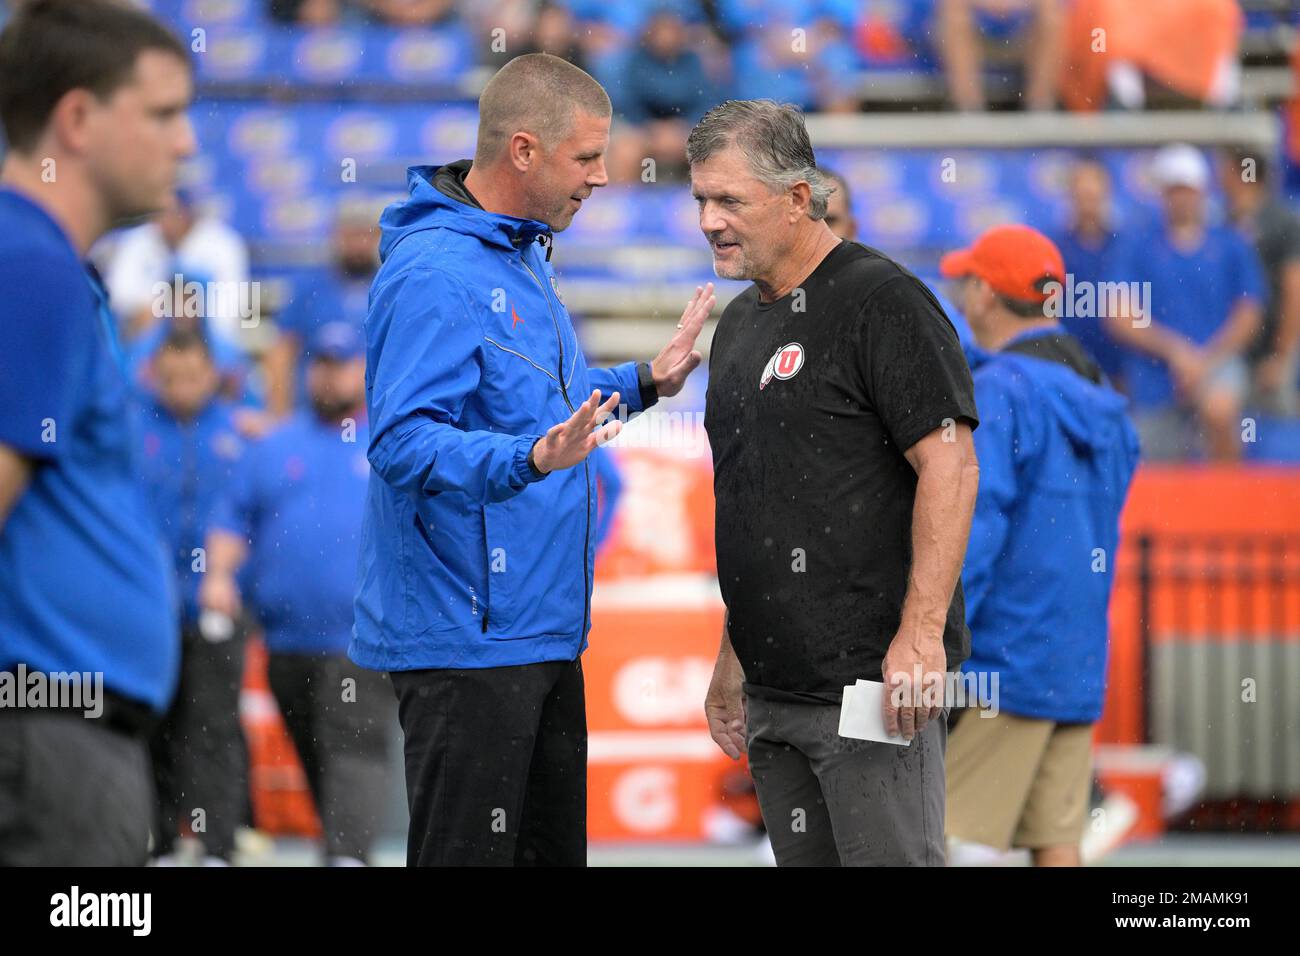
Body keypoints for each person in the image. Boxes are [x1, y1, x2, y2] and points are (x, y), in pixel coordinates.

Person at [352, 52, 713, 866]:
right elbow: (402, 441)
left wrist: (645, 381)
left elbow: (533, 402)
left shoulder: (512, 254)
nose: (603, 176)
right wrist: (529, 457)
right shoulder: (436, 271)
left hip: (536, 634)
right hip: (467, 641)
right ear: (523, 150)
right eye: (586, 157)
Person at [694, 99, 980, 867]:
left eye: (729, 200)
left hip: (869, 687)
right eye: (701, 199)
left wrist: (920, 637)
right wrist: (733, 655)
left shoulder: (884, 301)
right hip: (774, 688)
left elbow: (950, 465)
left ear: (796, 198)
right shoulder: (739, 326)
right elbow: (759, 503)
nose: (709, 221)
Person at [0, 0, 195, 866]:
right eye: (162, 114)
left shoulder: (42, 265)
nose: (185, 143)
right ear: (77, 119)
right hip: (48, 738)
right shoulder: (29, 265)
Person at [939, 224, 1140, 866]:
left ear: (984, 295)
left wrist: (934, 630)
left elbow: (975, 525)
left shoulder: (999, 391)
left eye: (967, 279)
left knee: (940, 840)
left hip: (1002, 659)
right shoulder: (1105, 401)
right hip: (1073, 659)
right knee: (1058, 844)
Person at [202, 323, 391, 866]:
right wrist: (217, 575)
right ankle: (340, 848)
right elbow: (232, 520)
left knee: (352, 742)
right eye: (322, 363)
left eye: (343, 363)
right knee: (315, 747)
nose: (330, 374)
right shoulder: (274, 444)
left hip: (361, 638)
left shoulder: (387, 442)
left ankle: (346, 855)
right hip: (285, 640)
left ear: (364, 369)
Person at [139, 327, 248, 865]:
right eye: (172, 377)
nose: (182, 388)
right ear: (155, 374)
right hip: (148, 610)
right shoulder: (131, 432)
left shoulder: (237, 432)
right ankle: (159, 842)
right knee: (150, 723)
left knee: (214, 728)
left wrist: (231, 577)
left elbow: (254, 517)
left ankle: (216, 847)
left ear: (212, 375)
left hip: (216, 607)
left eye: (193, 377)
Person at [1103, 144, 1264, 462]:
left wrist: (1203, 361)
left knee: (1220, 410)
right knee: (1147, 464)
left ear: (1203, 191)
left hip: (1217, 367)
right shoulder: (1138, 247)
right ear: (1163, 194)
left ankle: (1229, 501)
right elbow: (1119, 314)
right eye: (1175, 189)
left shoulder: (1230, 245)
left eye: (1188, 189)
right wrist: (1176, 352)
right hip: (1154, 378)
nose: (1182, 197)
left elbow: (1248, 314)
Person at [264, 196, 380, 417]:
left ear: (376, 236)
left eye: (364, 234)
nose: (357, 243)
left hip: (371, 417)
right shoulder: (309, 288)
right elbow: (282, 351)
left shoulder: (390, 285)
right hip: (314, 413)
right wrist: (279, 414)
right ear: (335, 236)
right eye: (349, 234)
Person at [1220, 147, 1300, 417]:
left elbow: (1294, 290)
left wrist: (1280, 354)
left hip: (1268, 348)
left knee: (1275, 430)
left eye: (1225, 169)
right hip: (1230, 349)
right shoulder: (1223, 222)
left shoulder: (1282, 221)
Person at [1050, 156, 1126, 384]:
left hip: (1120, 370)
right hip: (1068, 370)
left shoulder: (1125, 247)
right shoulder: (1055, 249)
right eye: (1082, 195)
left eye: (1093, 195)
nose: (1088, 204)